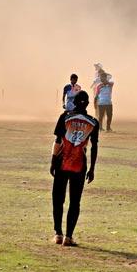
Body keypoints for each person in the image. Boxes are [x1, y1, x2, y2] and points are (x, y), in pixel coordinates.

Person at [51, 90, 98, 246]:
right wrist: (92, 169)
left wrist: (52, 161)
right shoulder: (92, 122)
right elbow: (94, 147)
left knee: (58, 199)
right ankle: (69, 237)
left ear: (74, 102)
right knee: (75, 201)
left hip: (62, 162)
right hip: (80, 165)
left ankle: (58, 234)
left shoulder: (65, 117)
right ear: (88, 103)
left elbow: (58, 141)